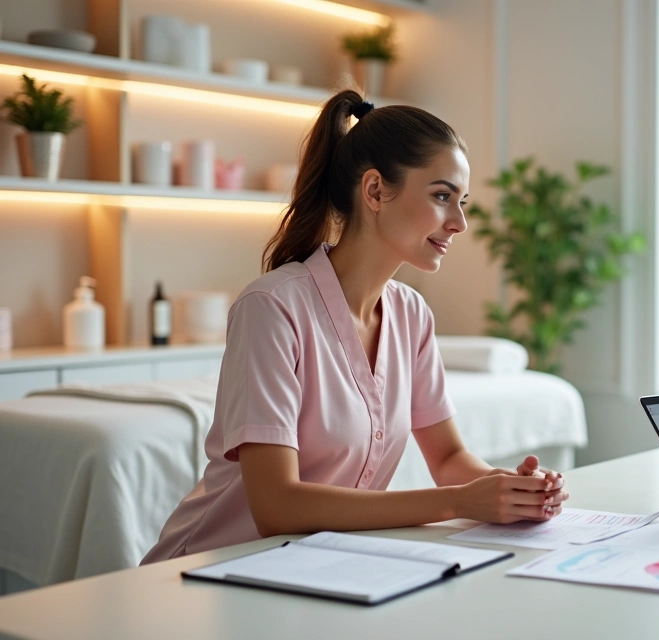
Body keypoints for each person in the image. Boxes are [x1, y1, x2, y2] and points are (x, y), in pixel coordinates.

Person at [143, 91, 567, 563]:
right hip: (209, 573)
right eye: (442, 196)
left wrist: (507, 490)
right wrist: (458, 503)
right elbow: (277, 506)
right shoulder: (272, 308)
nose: (461, 223)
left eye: (462, 201)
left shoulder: (411, 315)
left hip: (319, 567)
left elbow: (448, 460)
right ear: (374, 191)